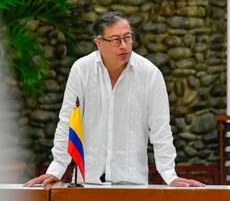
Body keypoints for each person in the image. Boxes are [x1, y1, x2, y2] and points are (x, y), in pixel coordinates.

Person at [25, 11, 204, 188]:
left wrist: (170, 175)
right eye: (116, 40)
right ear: (98, 43)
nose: (124, 45)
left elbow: (161, 129)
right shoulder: (82, 70)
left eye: (128, 37)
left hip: (132, 183)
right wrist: (56, 169)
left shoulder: (150, 74)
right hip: (87, 182)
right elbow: (68, 122)